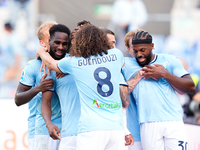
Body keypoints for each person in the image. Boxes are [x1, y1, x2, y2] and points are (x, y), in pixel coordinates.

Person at [36, 24, 130, 150]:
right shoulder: (117, 55)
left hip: (91, 127)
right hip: (116, 127)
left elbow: (51, 63)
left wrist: (41, 51)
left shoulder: (75, 62)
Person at [122, 30, 195, 150]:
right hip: (147, 123)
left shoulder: (170, 60)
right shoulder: (126, 64)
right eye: (135, 51)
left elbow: (190, 87)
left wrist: (165, 74)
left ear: (152, 46)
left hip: (174, 121)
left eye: (143, 50)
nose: (139, 54)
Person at [14, 21, 61, 150]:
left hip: (69, 129)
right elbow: (18, 99)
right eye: (50, 37)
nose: (56, 40)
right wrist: (38, 88)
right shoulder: (33, 66)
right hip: (42, 130)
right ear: (42, 43)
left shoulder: (68, 62)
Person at [41, 23, 81, 150]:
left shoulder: (80, 61)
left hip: (92, 131)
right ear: (49, 41)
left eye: (64, 44)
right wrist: (48, 124)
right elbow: (46, 101)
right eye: (57, 43)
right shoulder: (47, 68)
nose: (61, 47)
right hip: (69, 133)